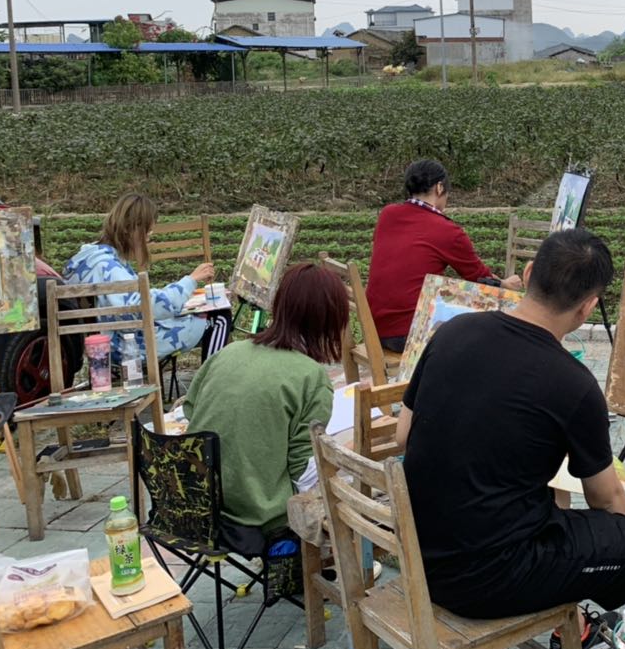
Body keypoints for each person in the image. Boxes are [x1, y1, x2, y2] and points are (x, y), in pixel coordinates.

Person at [396, 228, 625, 649]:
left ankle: (581, 627)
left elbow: (403, 436)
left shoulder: (453, 331)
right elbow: (606, 501)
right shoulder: (572, 384)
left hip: (421, 557)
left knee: (555, 506)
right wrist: (622, 548)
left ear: (529, 272)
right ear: (588, 307)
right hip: (487, 580)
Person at [184, 262, 345, 552]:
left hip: (196, 502)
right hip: (259, 515)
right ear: (329, 320)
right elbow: (304, 469)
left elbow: (190, 411)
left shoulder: (229, 352)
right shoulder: (311, 376)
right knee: (345, 483)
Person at [366, 160, 522, 351]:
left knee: (447, 293)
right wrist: (506, 285)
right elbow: (479, 277)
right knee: (495, 305)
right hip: (411, 335)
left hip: (374, 329)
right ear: (439, 187)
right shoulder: (447, 230)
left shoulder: (387, 214)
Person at [64, 192, 228, 363]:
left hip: (114, 339)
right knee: (219, 316)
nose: (149, 237)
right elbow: (141, 307)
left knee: (201, 313)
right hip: (128, 346)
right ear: (130, 228)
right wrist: (190, 281)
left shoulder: (92, 257)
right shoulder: (108, 267)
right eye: (147, 231)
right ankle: (211, 378)